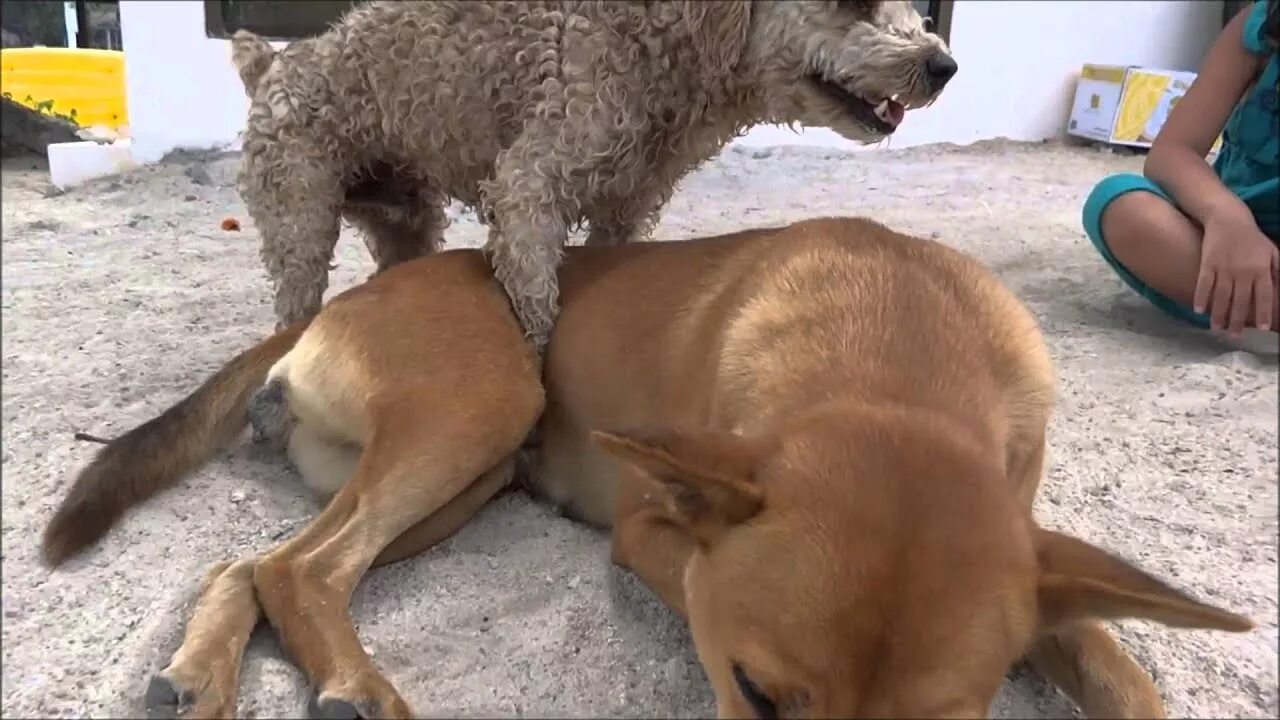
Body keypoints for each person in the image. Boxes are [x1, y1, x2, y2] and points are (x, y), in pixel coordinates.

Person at [1082, 0, 1278, 339]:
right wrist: (1227, 216)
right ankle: (1247, 298)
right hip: (1227, 239)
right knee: (1121, 206)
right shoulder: (1259, 28)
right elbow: (1173, 152)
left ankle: (1253, 305)